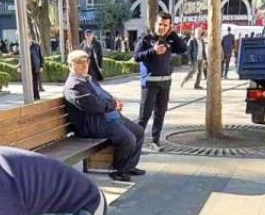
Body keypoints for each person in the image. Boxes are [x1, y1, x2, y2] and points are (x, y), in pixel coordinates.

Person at [63, 49, 145, 182]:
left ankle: (129, 166)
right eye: (79, 63)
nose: (84, 66)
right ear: (70, 65)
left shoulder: (88, 80)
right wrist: (113, 104)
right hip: (93, 124)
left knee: (139, 132)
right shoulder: (74, 86)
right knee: (128, 138)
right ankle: (118, 170)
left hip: (108, 117)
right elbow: (94, 106)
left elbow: (103, 95)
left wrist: (114, 101)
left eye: (86, 62)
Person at [134, 12, 188, 148]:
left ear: (169, 26)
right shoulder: (145, 39)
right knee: (144, 116)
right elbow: (136, 56)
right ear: (155, 24)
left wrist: (173, 34)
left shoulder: (170, 39)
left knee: (160, 114)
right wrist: (153, 51)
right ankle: (134, 143)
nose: (162, 27)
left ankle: (155, 141)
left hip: (165, 84)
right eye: (160, 24)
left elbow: (183, 48)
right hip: (150, 84)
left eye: (165, 25)